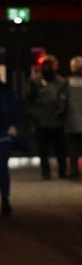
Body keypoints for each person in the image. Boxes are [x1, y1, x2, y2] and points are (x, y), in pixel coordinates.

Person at [26, 54, 68, 180]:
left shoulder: (61, 82)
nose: (47, 67)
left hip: (57, 121)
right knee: (43, 150)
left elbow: (64, 99)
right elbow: (29, 100)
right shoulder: (35, 81)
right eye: (45, 65)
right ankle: (46, 172)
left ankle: (62, 171)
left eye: (50, 65)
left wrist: (60, 112)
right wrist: (34, 116)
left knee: (60, 149)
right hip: (41, 121)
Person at [64, 55, 82, 180]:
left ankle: (74, 172)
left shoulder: (67, 82)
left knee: (72, 149)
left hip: (71, 119)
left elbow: (63, 100)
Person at [0, 79, 20, 216]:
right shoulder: (6, 91)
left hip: (3, 133)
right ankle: (5, 200)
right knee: (2, 168)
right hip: (4, 134)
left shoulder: (5, 91)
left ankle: (5, 200)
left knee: (2, 168)